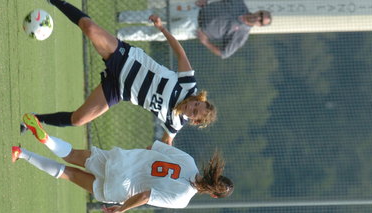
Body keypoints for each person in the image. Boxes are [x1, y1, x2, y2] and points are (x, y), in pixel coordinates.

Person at [26, 0, 216, 145]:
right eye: (196, 105)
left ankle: (33, 120)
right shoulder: (188, 85)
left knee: (78, 119)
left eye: (194, 113)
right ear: (198, 99)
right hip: (127, 60)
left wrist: (154, 154)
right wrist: (161, 28)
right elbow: (181, 54)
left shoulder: (175, 123)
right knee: (90, 28)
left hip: (119, 89)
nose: (192, 108)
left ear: (194, 121)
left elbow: (166, 144)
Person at [15, 113, 233, 213]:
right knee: (70, 174)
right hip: (120, 188)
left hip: (121, 161)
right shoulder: (182, 199)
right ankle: (21, 153)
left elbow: (153, 147)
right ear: (213, 195)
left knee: (71, 154)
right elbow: (146, 195)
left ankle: (47, 140)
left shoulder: (188, 161)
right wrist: (122, 208)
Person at [117, 0, 272, 59]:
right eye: (260, 15)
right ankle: (121, 16)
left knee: (156, 33)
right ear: (259, 11)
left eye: (261, 21)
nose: (258, 18)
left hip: (192, 29)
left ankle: (120, 34)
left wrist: (206, 42)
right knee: (158, 13)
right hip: (194, 10)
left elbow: (224, 53)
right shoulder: (240, 4)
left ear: (259, 25)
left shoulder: (242, 35)